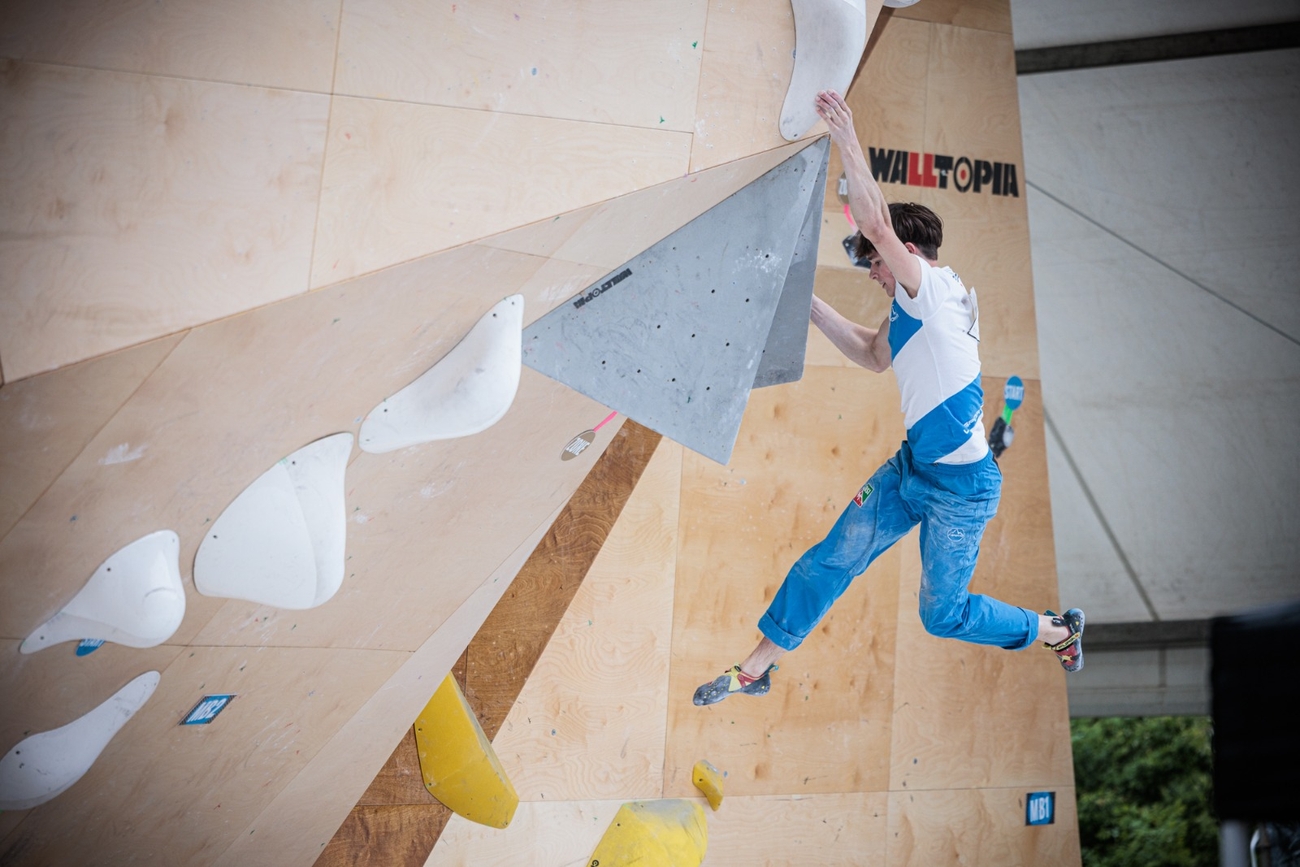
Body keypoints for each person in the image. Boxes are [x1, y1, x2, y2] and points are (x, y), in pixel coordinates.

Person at [693, 91, 1084, 707]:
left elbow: (876, 223)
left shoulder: (930, 289)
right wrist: (801, 297)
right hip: (912, 470)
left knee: (942, 616)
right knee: (833, 556)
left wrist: (847, 135)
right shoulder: (908, 311)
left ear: (903, 253)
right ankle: (756, 666)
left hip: (963, 491)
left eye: (874, 262)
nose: (872, 271)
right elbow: (872, 355)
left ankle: (1055, 629)